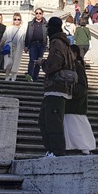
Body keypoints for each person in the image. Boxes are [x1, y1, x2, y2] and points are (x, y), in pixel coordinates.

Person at [37, 17, 77, 157]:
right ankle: (52, 150)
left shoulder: (56, 42)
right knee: (44, 119)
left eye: (48, 28)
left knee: (51, 121)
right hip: (59, 89)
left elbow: (55, 63)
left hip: (56, 88)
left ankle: (56, 151)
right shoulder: (65, 43)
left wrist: (43, 63)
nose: (46, 30)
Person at [63, 45, 96, 154]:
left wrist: (71, 90)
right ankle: (75, 147)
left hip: (75, 102)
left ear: (75, 54)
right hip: (71, 102)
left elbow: (83, 86)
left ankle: (84, 147)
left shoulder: (78, 67)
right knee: (72, 127)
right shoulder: (71, 66)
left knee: (77, 127)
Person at [0, 12, 27, 82]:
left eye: (18, 19)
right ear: (13, 20)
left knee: (16, 62)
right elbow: (4, 38)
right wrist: (0, 46)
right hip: (9, 47)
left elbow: (25, 39)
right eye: (15, 19)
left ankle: (13, 76)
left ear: (21, 20)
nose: (17, 21)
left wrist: (25, 47)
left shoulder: (23, 29)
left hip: (18, 48)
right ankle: (7, 76)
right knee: (9, 62)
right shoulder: (9, 28)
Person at [25, 8, 48, 82]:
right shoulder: (31, 23)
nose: (38, 15)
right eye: (37, 13)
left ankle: (35, 76)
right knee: (32, 60)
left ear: (42, 14)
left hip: (41, 44)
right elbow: (27, 35)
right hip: (33, 44)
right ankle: (29, 75)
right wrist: (26, 45)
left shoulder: (46, 24)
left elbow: (48, 35)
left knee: (39, 61)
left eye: (40, 13)